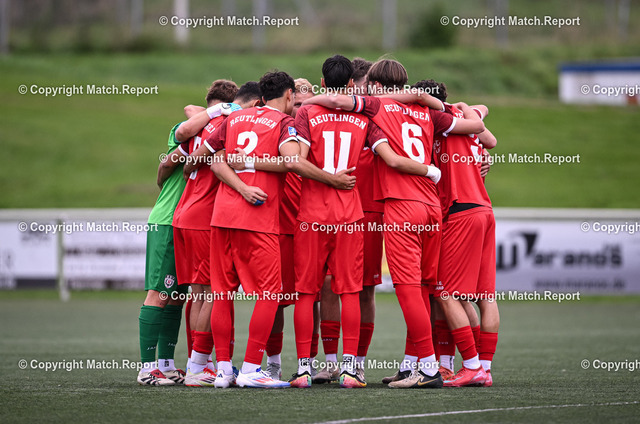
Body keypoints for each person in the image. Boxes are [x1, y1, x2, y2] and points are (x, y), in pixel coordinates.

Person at [303, 58, 485, 389]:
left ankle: (427, 368)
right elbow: (476, 128)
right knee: (426, 288)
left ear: (374, 85)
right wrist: (447, 104)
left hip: (402, 206)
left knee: (407, 289)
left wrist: (309, 101)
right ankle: (430, 364)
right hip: (432, 207)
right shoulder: (427, 110)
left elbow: (335, 99)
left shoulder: (376, 106)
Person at [419, 79, 499, 387]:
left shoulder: (437, 123)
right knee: (482, 296)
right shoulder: (464, 117)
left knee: (444, 292)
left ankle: (471, 365)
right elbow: (488, 133)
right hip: (484, 209)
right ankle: (483, 368)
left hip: (460, 212)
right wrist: (466, 107)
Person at [171, 80, 240, 386]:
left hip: (185, 213)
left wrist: (215, 110)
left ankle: (199, 363)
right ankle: (198, 366)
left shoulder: (200, 124)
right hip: (204, 217)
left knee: (199, 293)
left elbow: (190, 111)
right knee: (214, 292)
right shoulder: (228, 126)